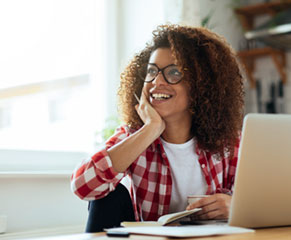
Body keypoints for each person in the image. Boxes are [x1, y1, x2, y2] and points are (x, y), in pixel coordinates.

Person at [71, 24, 245, 232]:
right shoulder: (133, 136)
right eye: (151, 71)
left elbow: (268, 199)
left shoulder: (229, 143)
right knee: (110, 192)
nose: (156, 82)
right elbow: (82, 187)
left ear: (202, 84)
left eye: (173, 72)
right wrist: (150, 129)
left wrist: (234, 206)